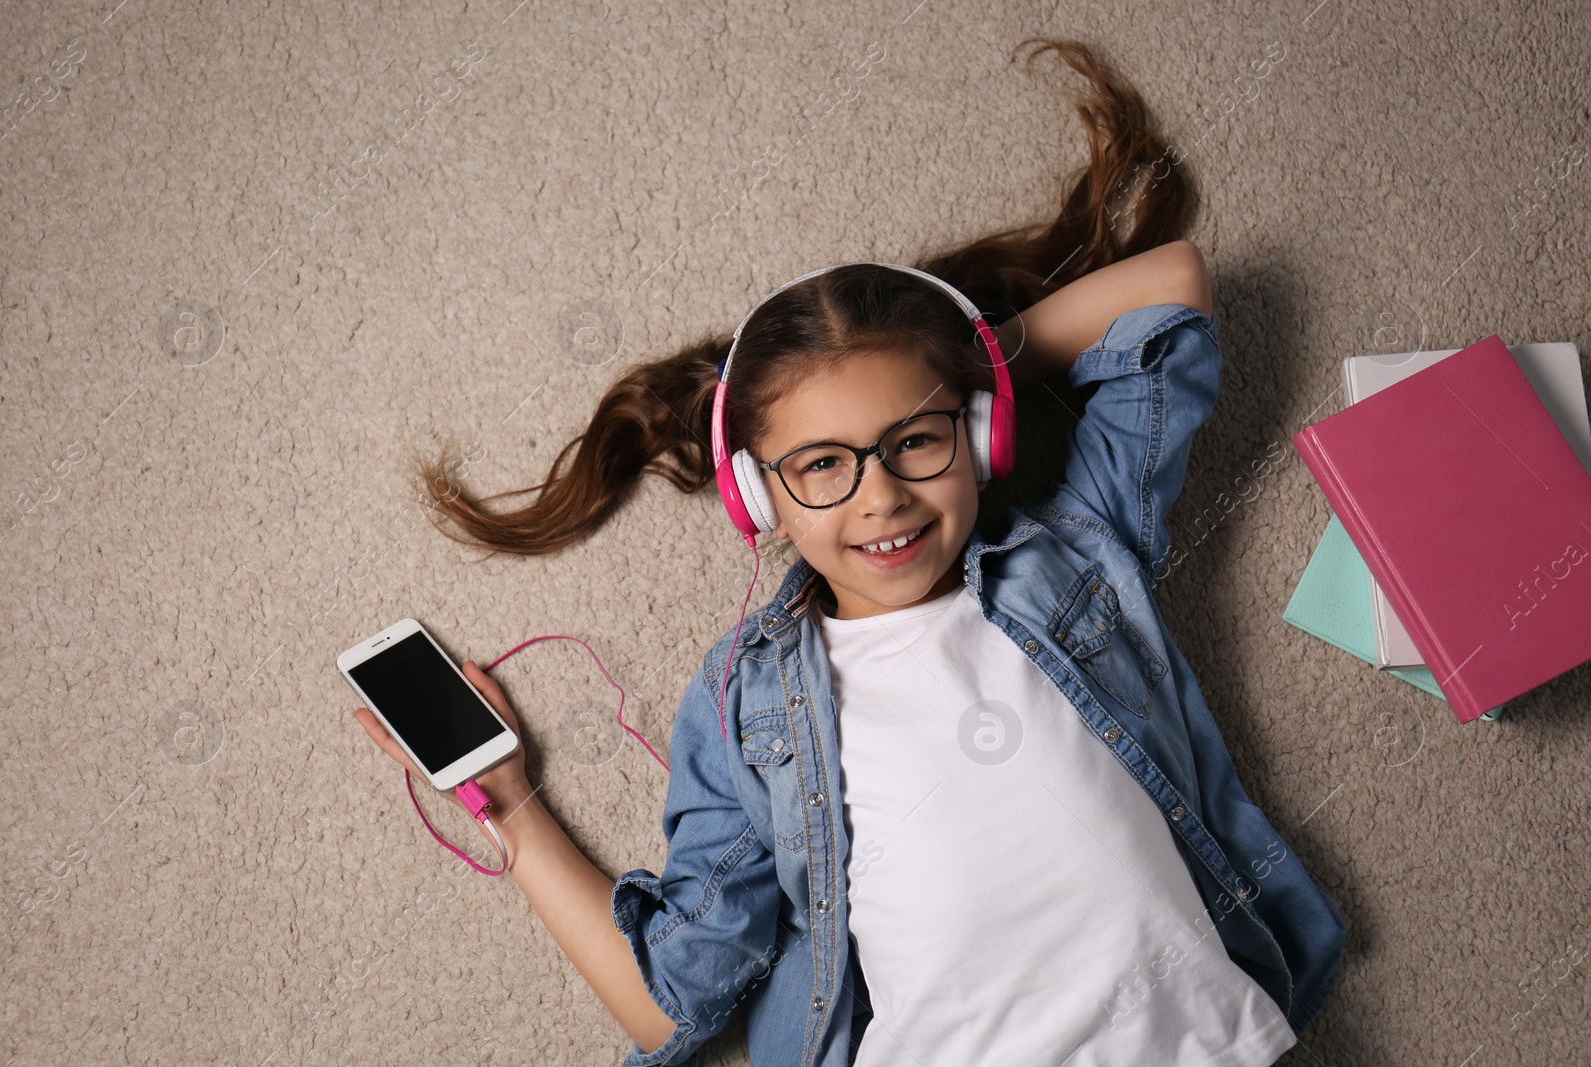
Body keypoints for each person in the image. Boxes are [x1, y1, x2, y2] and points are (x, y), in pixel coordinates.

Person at [353, 37, 1346, 1067]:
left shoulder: (1073, 553)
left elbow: (1170, 289)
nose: (881, 496)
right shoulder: (751, 698)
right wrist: (509, 802)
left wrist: (978, 365)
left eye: (915, 439)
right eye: (820, 464)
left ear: (979, 435)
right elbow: (673, 1007)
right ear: (756, 496)